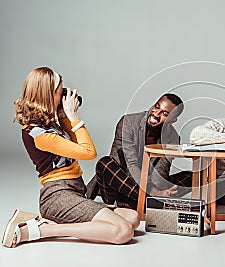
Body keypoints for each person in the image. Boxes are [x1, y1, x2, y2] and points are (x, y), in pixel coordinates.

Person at [2, 67, 139, 248]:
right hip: (57, 195)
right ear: (48, 95)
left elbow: (76, 142)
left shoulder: (48, 122)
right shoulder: (38, 134)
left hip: (75, 191)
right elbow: (88, 152)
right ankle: (44, 230)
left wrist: (64, 116)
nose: (63, 96)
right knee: (123, 231)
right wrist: (74, 116)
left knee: (133, 218)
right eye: (60, 92)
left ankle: (58, 222)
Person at [86, 94, 192, 209]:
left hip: (148, 183)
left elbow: (161, 171)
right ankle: (153, 201)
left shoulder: (173, 138)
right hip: (119, 185)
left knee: (192, 176)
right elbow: (130, 165)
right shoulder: (128, 122)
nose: (156, 114)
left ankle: (140, 203)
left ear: (173, 120)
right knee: (104, 163)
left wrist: (157, 187)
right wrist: (154, 192)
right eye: (157, 107)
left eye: (164, 114)